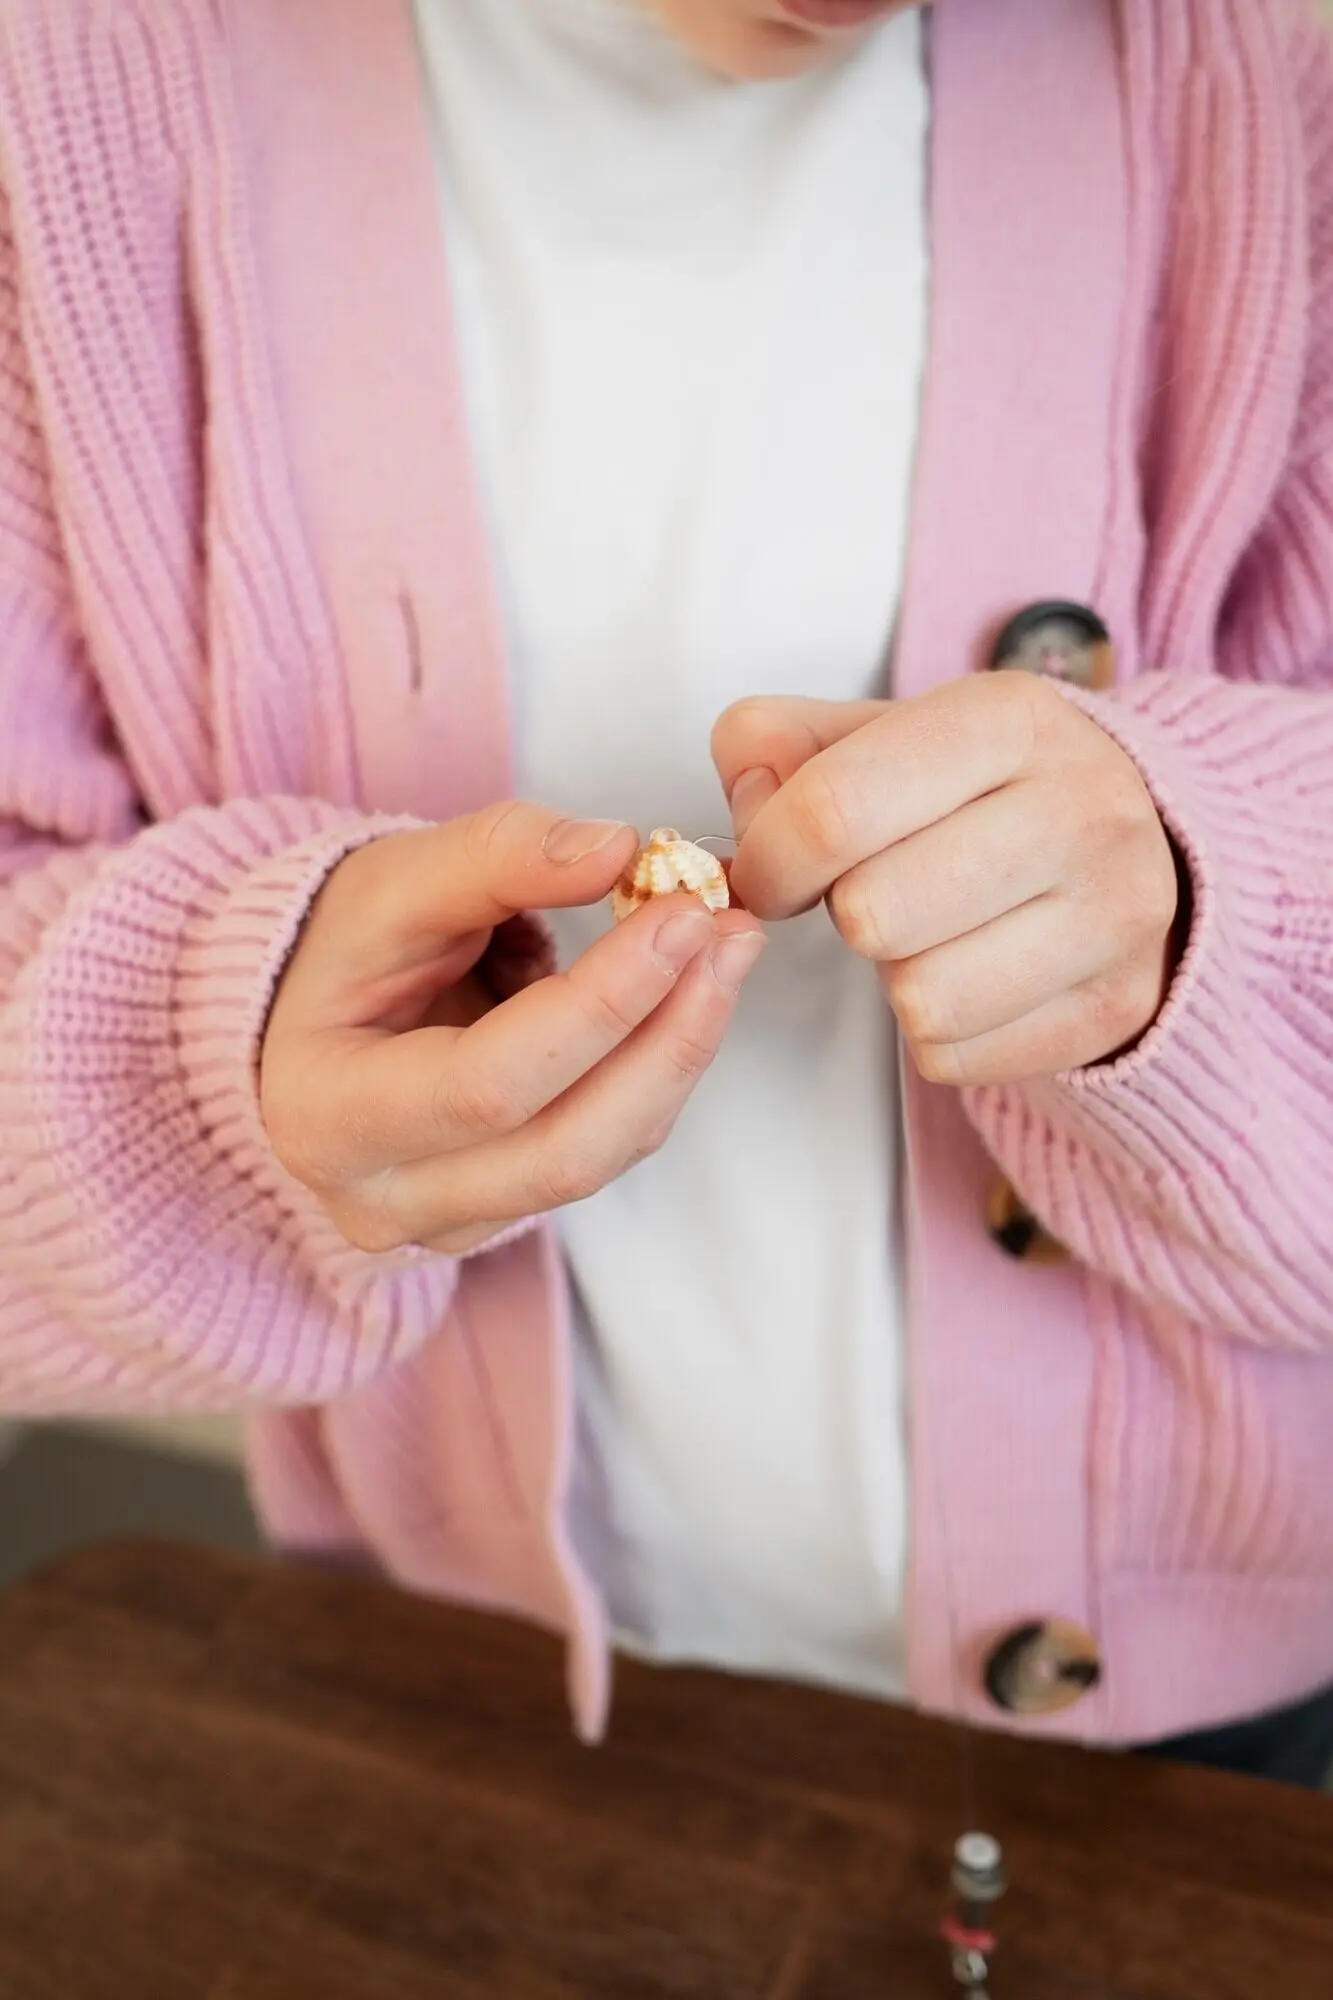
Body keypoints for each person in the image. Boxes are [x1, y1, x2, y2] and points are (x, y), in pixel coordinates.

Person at [2, 0, 1332, 1790]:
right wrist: (212, 1083)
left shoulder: (1275, 95)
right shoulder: (61, 119)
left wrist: (1204, 910)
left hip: (1235, 1760)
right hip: (453, 1718)